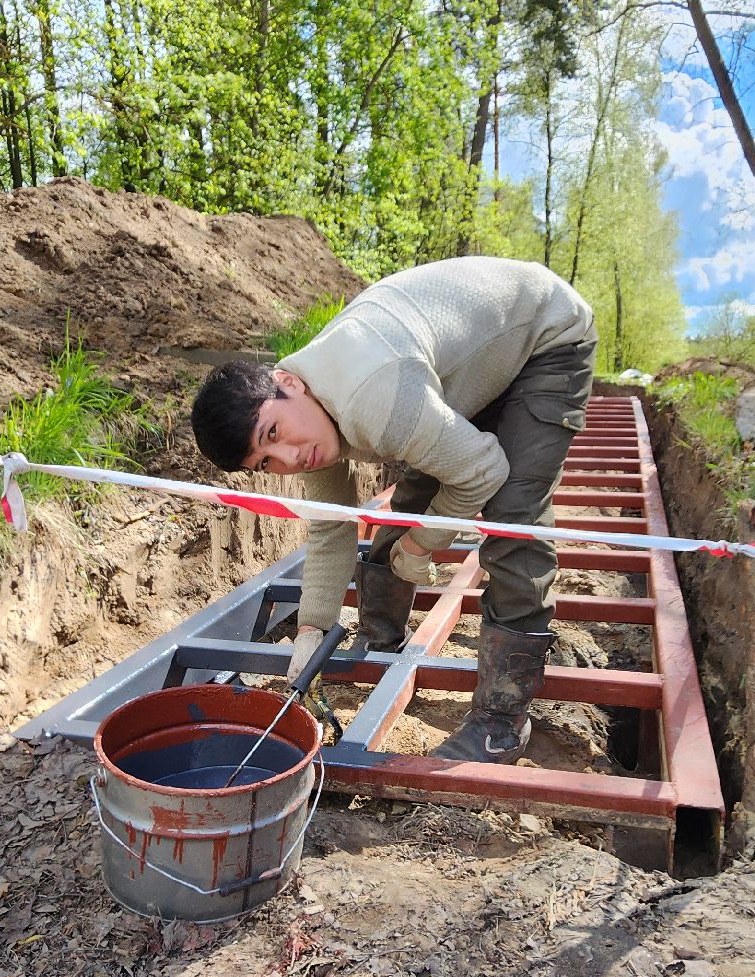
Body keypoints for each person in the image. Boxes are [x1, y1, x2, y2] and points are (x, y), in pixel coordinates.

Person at [190, 256, 596, 764]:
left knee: (512, 517)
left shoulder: (375, 399)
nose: (289, 457)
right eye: (266, 461)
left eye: (273, 434)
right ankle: (382, 640)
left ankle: (502, 722)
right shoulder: (308, 417)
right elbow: (330, 528)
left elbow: (483, 472)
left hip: (543, 336)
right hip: (463, 365)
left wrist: (421, 543)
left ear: (287, 382)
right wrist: (312, 629)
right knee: (413, 504)